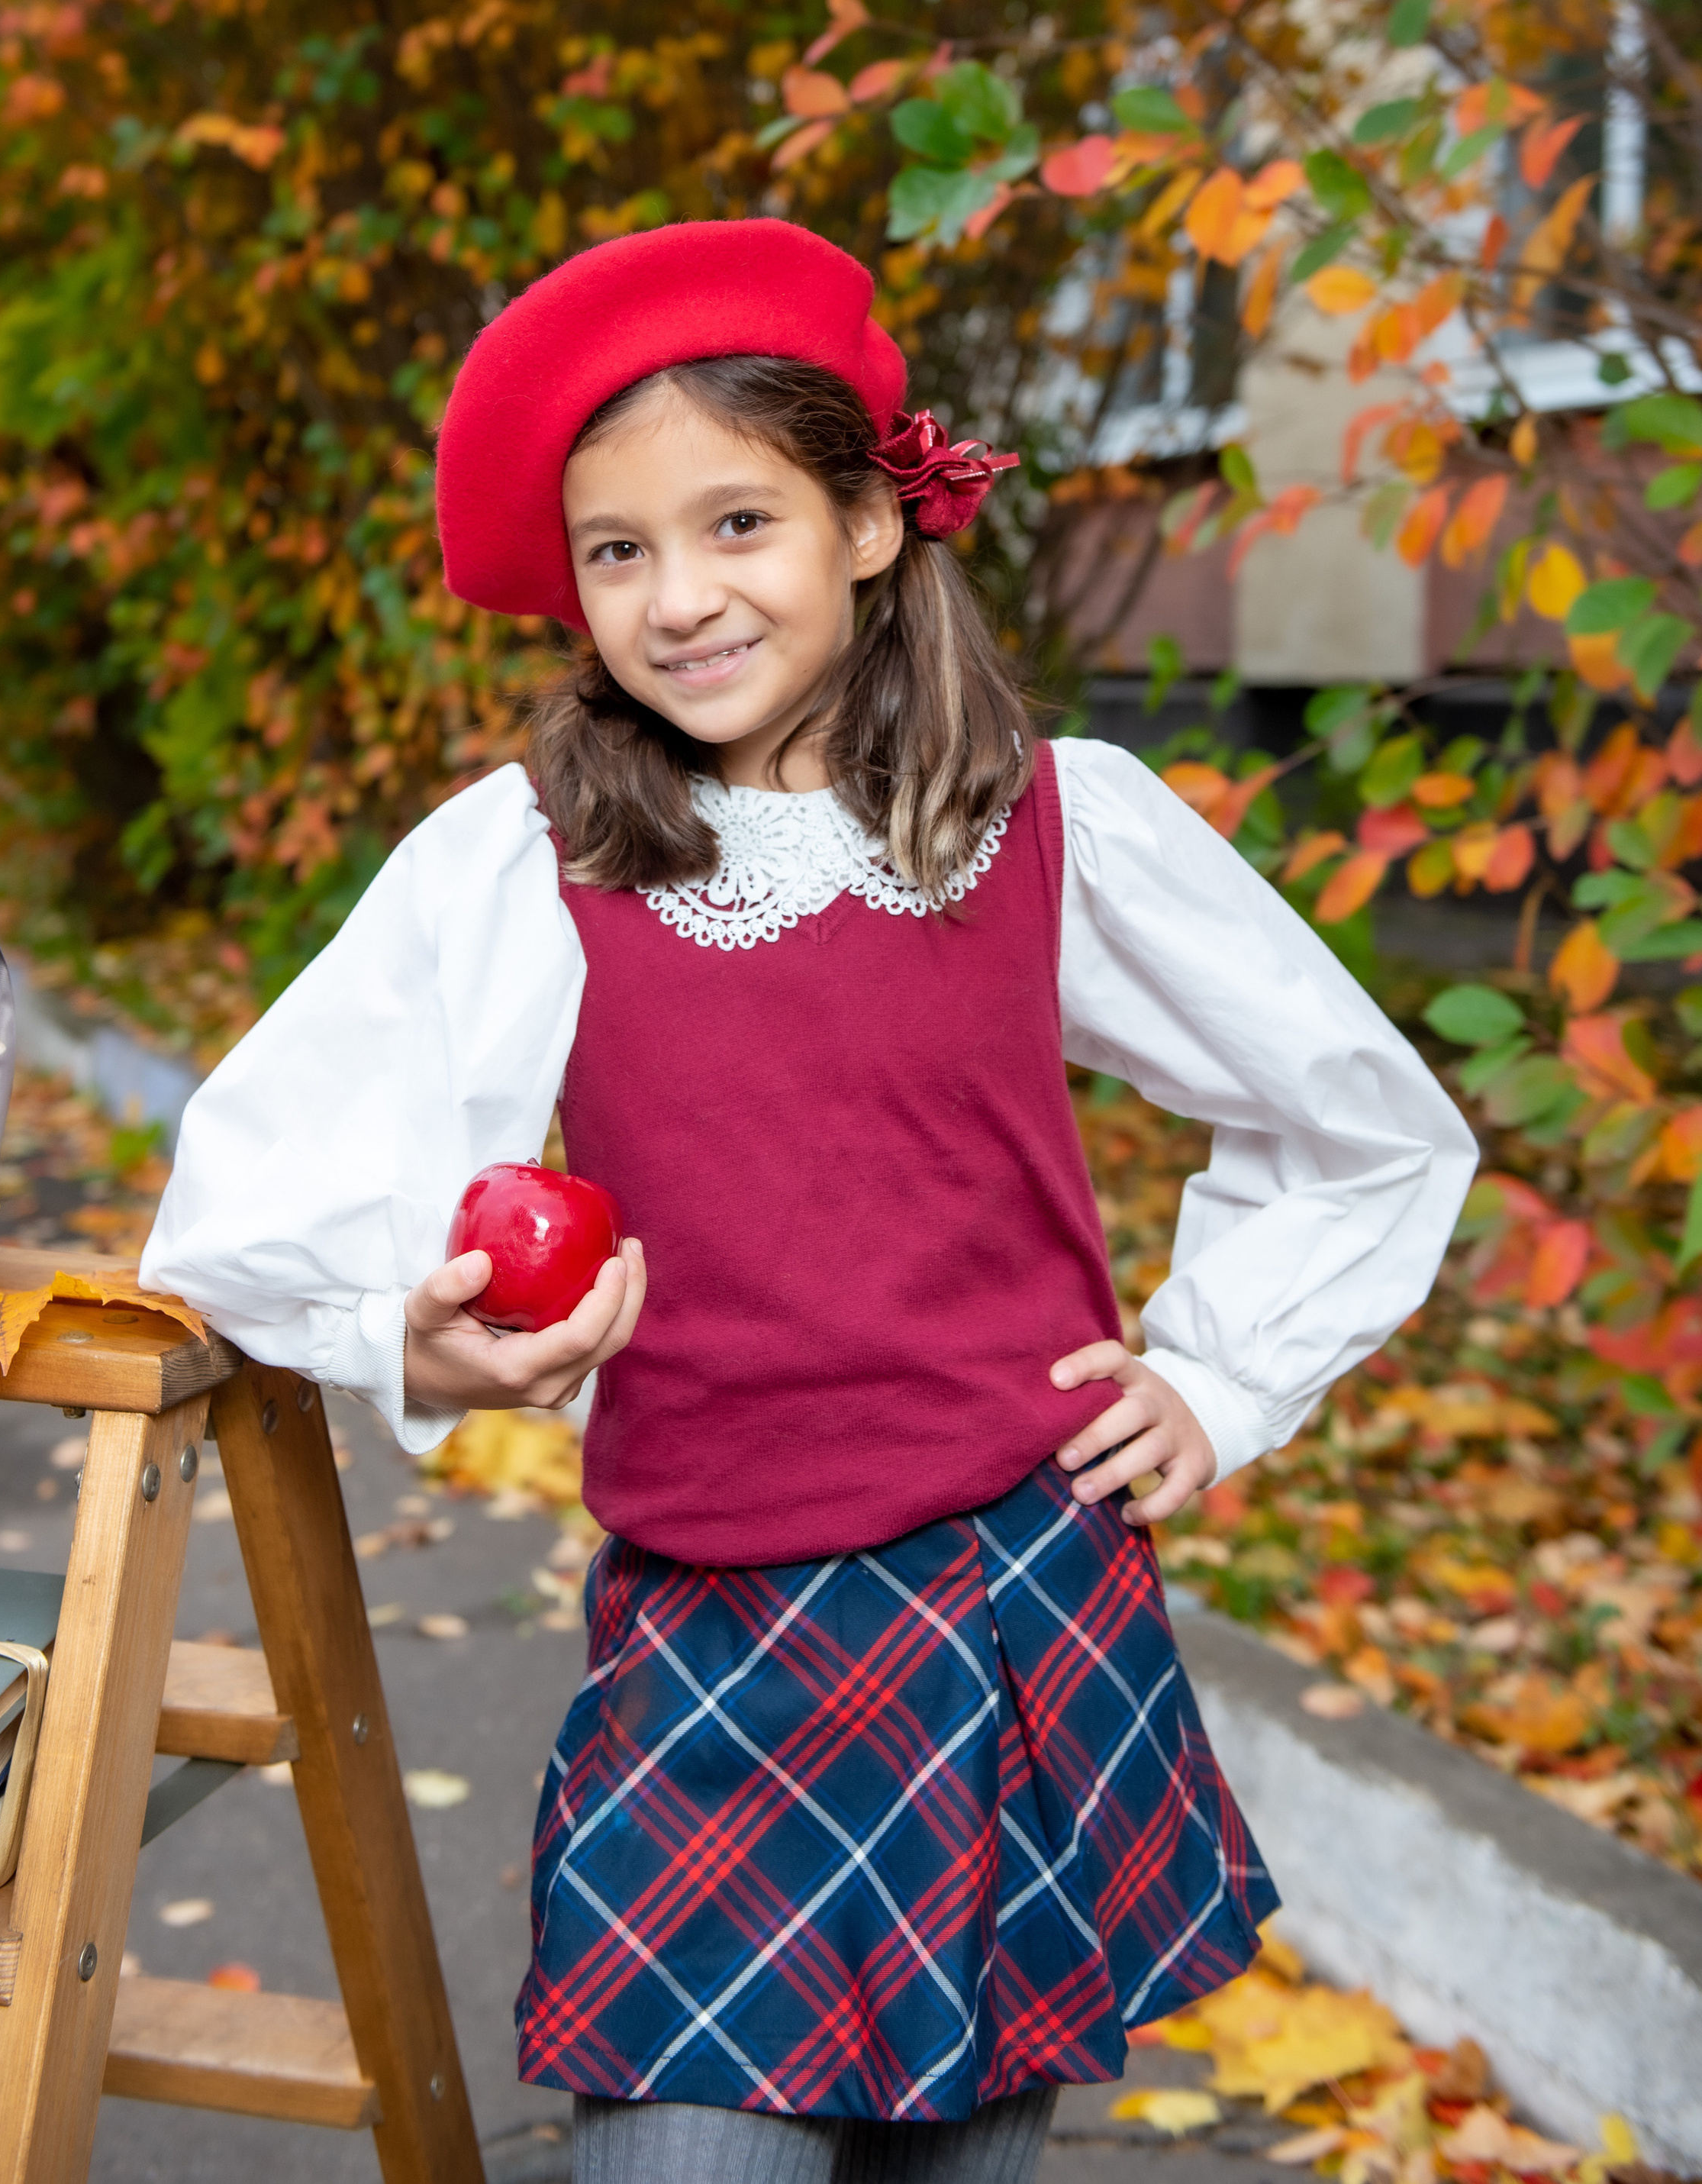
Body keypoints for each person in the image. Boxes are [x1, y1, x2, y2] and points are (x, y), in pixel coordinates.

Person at [143, 218, 1476, 2184]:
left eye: (737, 523)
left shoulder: (1048, 821)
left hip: (1016, 1603)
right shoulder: (529, 859)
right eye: (618, 550)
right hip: (711, 1634)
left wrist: (1219, 1373)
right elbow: (253, 1184)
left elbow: (1353, 1116)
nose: (678, 596)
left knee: (964, 2155)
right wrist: (404, 1338)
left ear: (866, 521)